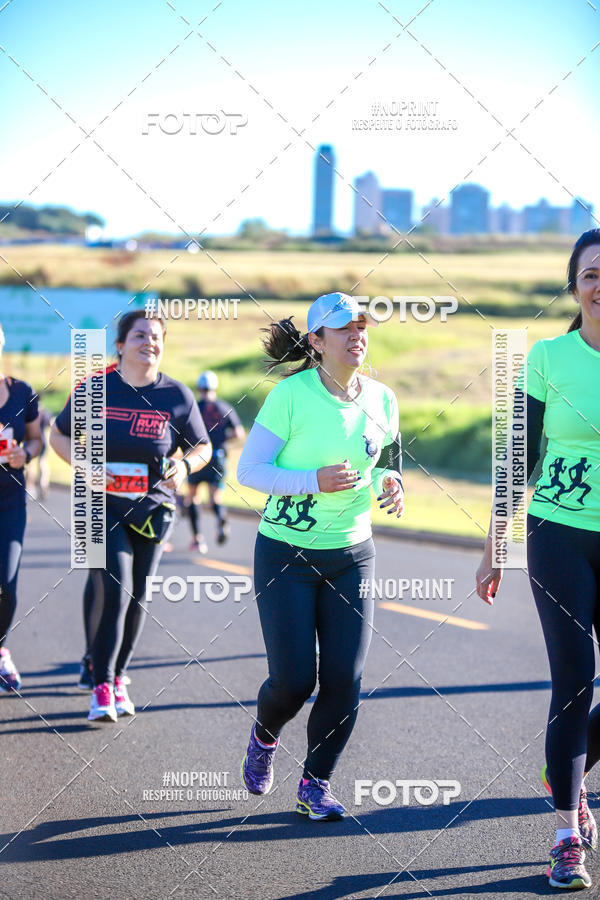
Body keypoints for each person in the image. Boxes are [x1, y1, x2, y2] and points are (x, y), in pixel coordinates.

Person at [237, 292, 403, 820]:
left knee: (344, 681)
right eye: (343, 328)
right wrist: (314, 481)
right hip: (285, 554)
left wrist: (391, 482)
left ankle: (315, 783)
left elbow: (383, 464)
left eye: (362, 325)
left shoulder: (382, 399)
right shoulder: (291, 396)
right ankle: (265, 737)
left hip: (352, 555)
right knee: (292, 682)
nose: (357, 334)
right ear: (316, 341)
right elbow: (250, 472)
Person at [476, 229, 600, 890]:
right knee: (576, 676)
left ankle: (569, 772)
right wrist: (495, 546)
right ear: (574, 282)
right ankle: (564, 834)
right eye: (591, 272)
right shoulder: (549, 357)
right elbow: (515, 460)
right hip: (557, 532)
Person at [50, 311, 211, 721]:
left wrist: (186, 467)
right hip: (101, 507)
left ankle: (118, 675)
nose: (149, 342)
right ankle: (102, 686)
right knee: (115, 588)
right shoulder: (96, 388)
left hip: (153, 509)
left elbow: (202, 447)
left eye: (156, 336)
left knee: (139, 596)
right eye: (139, 335)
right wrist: (84, 465)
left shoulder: (177, 396)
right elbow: (58, 433)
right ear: (120, 345)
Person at [0, 321, 43, 692]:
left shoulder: (22, 392)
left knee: (6, 585)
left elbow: (36, 439)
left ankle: (0, 652)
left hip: (9, 502)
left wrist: (23, 454)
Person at [185, 371, 244, 552]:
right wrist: (223, 440)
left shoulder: (194, 407)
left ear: (199, 388)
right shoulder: (224, 407)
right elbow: (239, 433)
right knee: (214, 497)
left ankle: (197, 539)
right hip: (218, 456)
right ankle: (220, 519)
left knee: (193, 497)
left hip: (197, 456)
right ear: (215, 387)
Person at [25, 398, 52, 501]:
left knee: (30, 466)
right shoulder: (45, 412)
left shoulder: (30, 412)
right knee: (43, 464)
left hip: (30, 441)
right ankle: (43, 485)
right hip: (43, 441)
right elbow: (51, 424)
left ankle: (30, 489)